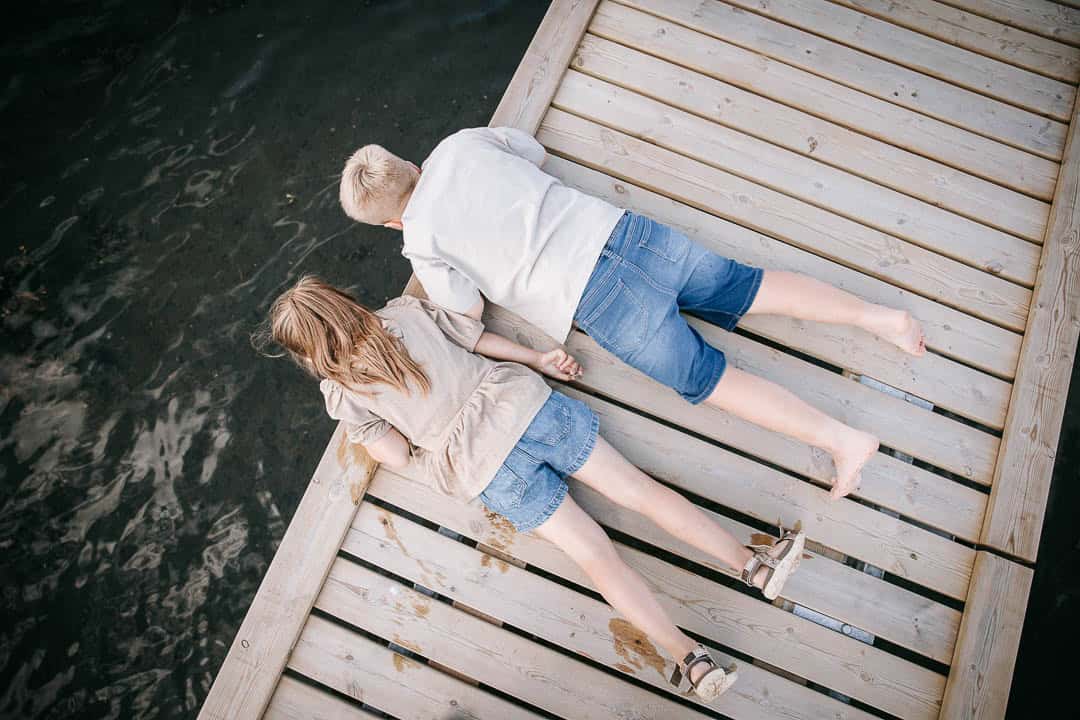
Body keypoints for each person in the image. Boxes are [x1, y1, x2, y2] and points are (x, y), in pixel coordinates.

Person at [260, 276, 808, 701]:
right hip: (525, 406)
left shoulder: (343, 394)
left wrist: (435, 449)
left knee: (596, 558)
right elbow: (480, 340)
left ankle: (692, 660)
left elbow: (396, 455)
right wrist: (540, 358)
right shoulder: (405, 313)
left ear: (307, 352)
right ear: (342, 301)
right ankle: (754, 566)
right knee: (640, 493)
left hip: (485, 468)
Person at [338, 128, 927, 499]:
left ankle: (842, 439)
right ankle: (882, 319)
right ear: (408, 162)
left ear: (391, 222)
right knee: (748, 286)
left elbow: (464, 310)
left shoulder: (422, 242)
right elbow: (532, 152)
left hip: (597, 301)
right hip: (622, 232)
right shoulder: (462, 145)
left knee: (708, 379)